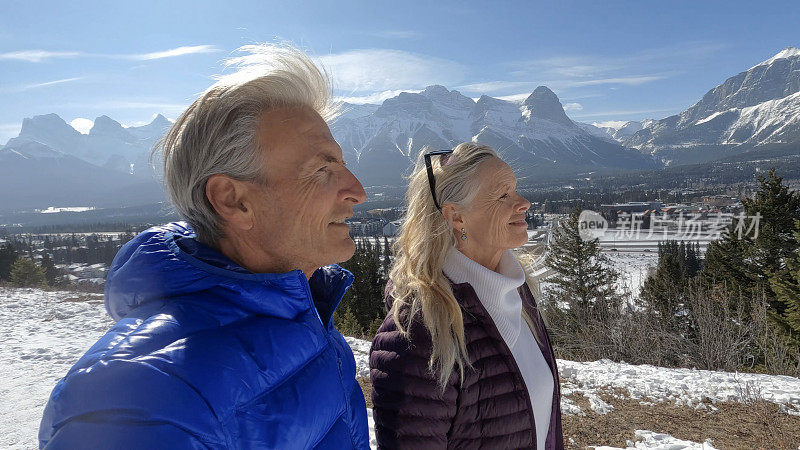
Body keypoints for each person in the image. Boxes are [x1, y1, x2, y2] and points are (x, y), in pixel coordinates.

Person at [39, 44, 370, 449]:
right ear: (233, 200)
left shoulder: (305, 315)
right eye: (323, 169)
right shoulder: (142, 402)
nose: (358, 190)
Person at [370, 143, 564, 449]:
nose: (524, 202)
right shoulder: (420, 331)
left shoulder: (518, 291)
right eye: (503, 195)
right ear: (457, 218)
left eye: (516, 190)